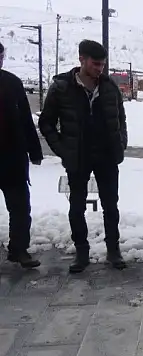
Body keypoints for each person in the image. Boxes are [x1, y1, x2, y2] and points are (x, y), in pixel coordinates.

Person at [38, 40, 127, 273]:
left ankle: (113, 250)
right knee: (77, 206)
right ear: (82, 60)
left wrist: (121, 143)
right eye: (95, 64)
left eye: (103, 65)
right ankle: (81, 251)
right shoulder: (62, 87)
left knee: (111, 205)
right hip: (78, 157)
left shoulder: (109, 87)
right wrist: (63, 149)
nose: (100, 69)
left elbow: (121, 118)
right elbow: (46, 122)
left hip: (106, 156)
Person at [0, 41, 43, 268]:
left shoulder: (12, 83)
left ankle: (19, 249)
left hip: (11, 158)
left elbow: (26, 119)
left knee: (19, 208)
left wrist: (35, 150)